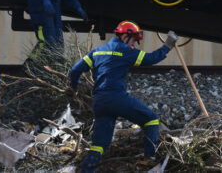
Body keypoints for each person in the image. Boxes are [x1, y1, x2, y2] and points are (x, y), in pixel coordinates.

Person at [69, 20, 179, 173]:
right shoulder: (127, 51)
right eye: (134, 39)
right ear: (126, 36)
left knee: (99, 144)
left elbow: (74, 70)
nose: (134, 43)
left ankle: (87, 170)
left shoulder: (97, 51)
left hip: (99, 102)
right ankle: (149, 159)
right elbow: (152, 58)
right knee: (151, 119)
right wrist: (168, 45)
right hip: (116, 98)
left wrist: (73, 87)